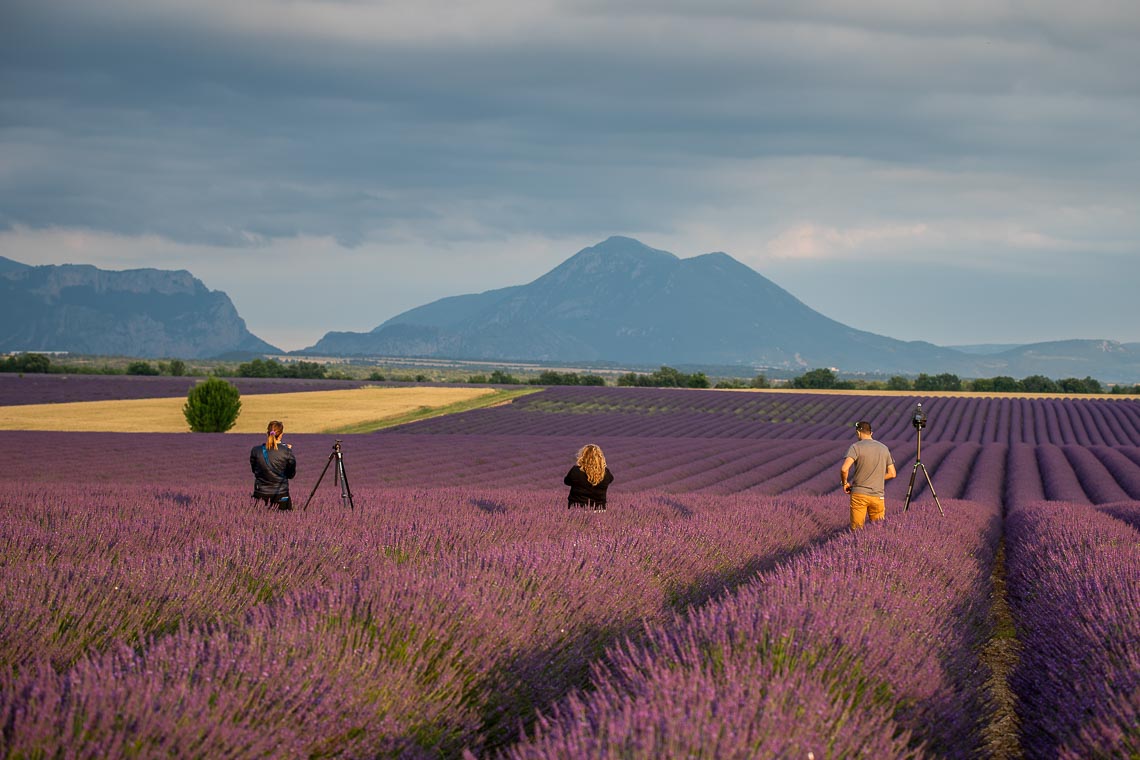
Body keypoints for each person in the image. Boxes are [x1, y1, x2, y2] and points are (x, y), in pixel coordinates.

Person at [840, 420, 896, 530]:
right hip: (878, 496)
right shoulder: (884, 448)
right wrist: (877, 478)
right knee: (878, 530)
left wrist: (845, 483)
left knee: (856, 530)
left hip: (859, 495)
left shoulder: (856, 447)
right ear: (871, 433)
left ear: (858, 433)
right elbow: (892, 473)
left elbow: (844, 469)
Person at [251, 420, 296, 509]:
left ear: (267, 433)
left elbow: (254, 470)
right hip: (280, 494)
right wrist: (288, 451)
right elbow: (291, 475)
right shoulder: (286, 451)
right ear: (281, 434)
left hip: (260, 493)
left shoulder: (256, 451)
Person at [565, 443, 614, 511]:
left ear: (583, 456)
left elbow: (567, 481)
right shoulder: (605, 473)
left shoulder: (576, 471)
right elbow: (611, 479)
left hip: (577, 510)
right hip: (599, 510)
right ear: (600, 458)